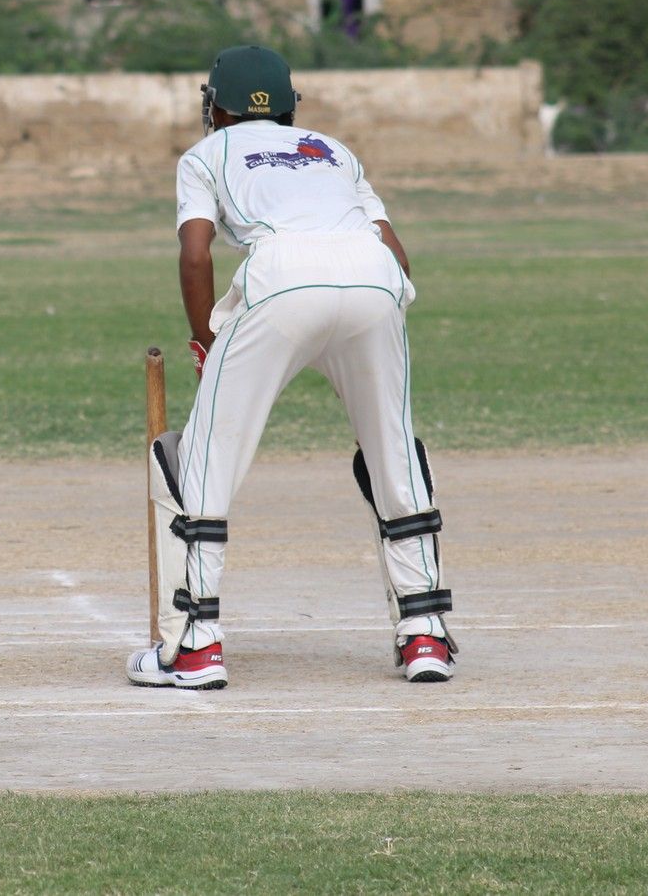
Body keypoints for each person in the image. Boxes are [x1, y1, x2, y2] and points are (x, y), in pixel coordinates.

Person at [127, 45, 455, 691]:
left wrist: (206, 340)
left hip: (280, 278)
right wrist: (364, 331)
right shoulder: (333, 150)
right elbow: (394, 252)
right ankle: (426, 634)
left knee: (203, 459)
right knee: (392, 452)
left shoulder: (205, 155)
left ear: (216, 107)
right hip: (374, 277)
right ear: (287, 105)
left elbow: (196, 254)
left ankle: (194, 645)